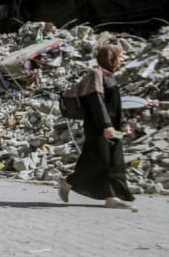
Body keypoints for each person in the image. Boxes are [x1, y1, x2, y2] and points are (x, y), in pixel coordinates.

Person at [58, 43, 137, 210]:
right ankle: (67, 182)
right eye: (120, 56)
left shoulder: (110, 76)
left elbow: (115, 106)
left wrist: (123, 125)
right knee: (99, 161)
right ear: (110, 58)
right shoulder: (96, 74)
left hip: (112, 127)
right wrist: (106, 125)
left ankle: (111, 198)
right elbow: (97, 103)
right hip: (98, 127)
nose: (122, 59)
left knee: (115, 162)